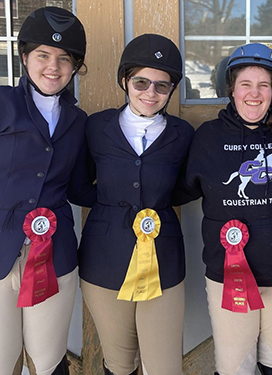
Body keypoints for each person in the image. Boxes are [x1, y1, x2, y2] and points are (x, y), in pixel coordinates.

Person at [185, 43, 272, 375]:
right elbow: (179, 188)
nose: (254, 93)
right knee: (233, 369)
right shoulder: (207, 138)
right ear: (231, 88)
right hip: (230, 276)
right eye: (245, 84)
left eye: (263, 85)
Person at [78, 34, 194, 375]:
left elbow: (187, 187)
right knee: (118, 362)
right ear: (125, 81)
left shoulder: (183, 133)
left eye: (162, 85)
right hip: (104, 259)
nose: (150, 93)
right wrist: (113, 209)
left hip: (164, 262)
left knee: (164, 366)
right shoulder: (96, 127)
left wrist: (154, 206)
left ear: (172, 89)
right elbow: (79, 185)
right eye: (141, 82)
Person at [0, 6, 93, 375]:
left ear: (74, 66)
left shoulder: (78, 121)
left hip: (54, 256)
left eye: (63, 58)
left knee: (49, 361)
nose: (52, 66)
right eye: (42, 55)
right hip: (1, 252)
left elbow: (79, 188)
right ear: (25, 57)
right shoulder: (3, 104)